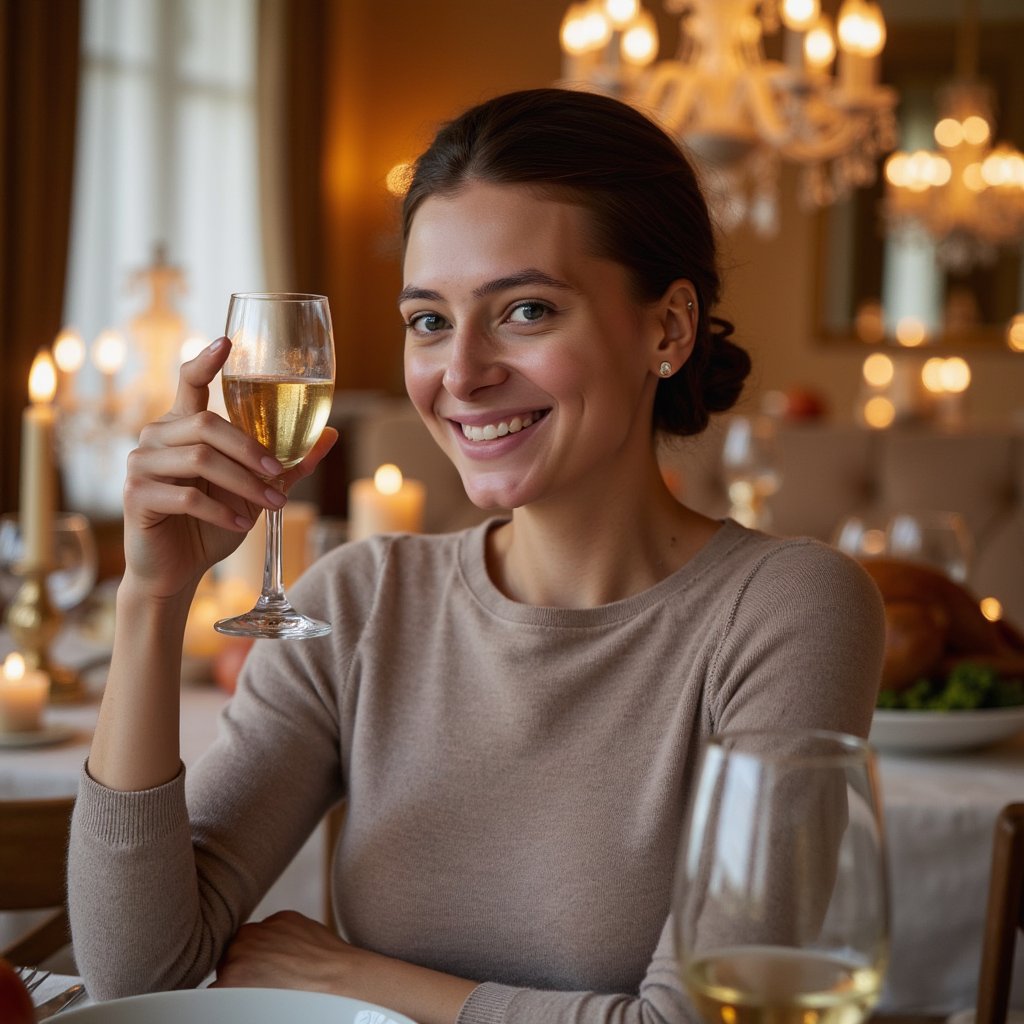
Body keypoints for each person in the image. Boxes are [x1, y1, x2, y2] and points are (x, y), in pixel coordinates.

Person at [68, 88, 885, 1023]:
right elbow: (137, 976)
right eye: (429, 320)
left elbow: (702, 1021)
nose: (461, 373)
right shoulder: (362, 600)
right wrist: (153, 596)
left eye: (526, 310)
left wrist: (356, 978)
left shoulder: (789, 609)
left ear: (668, 328)